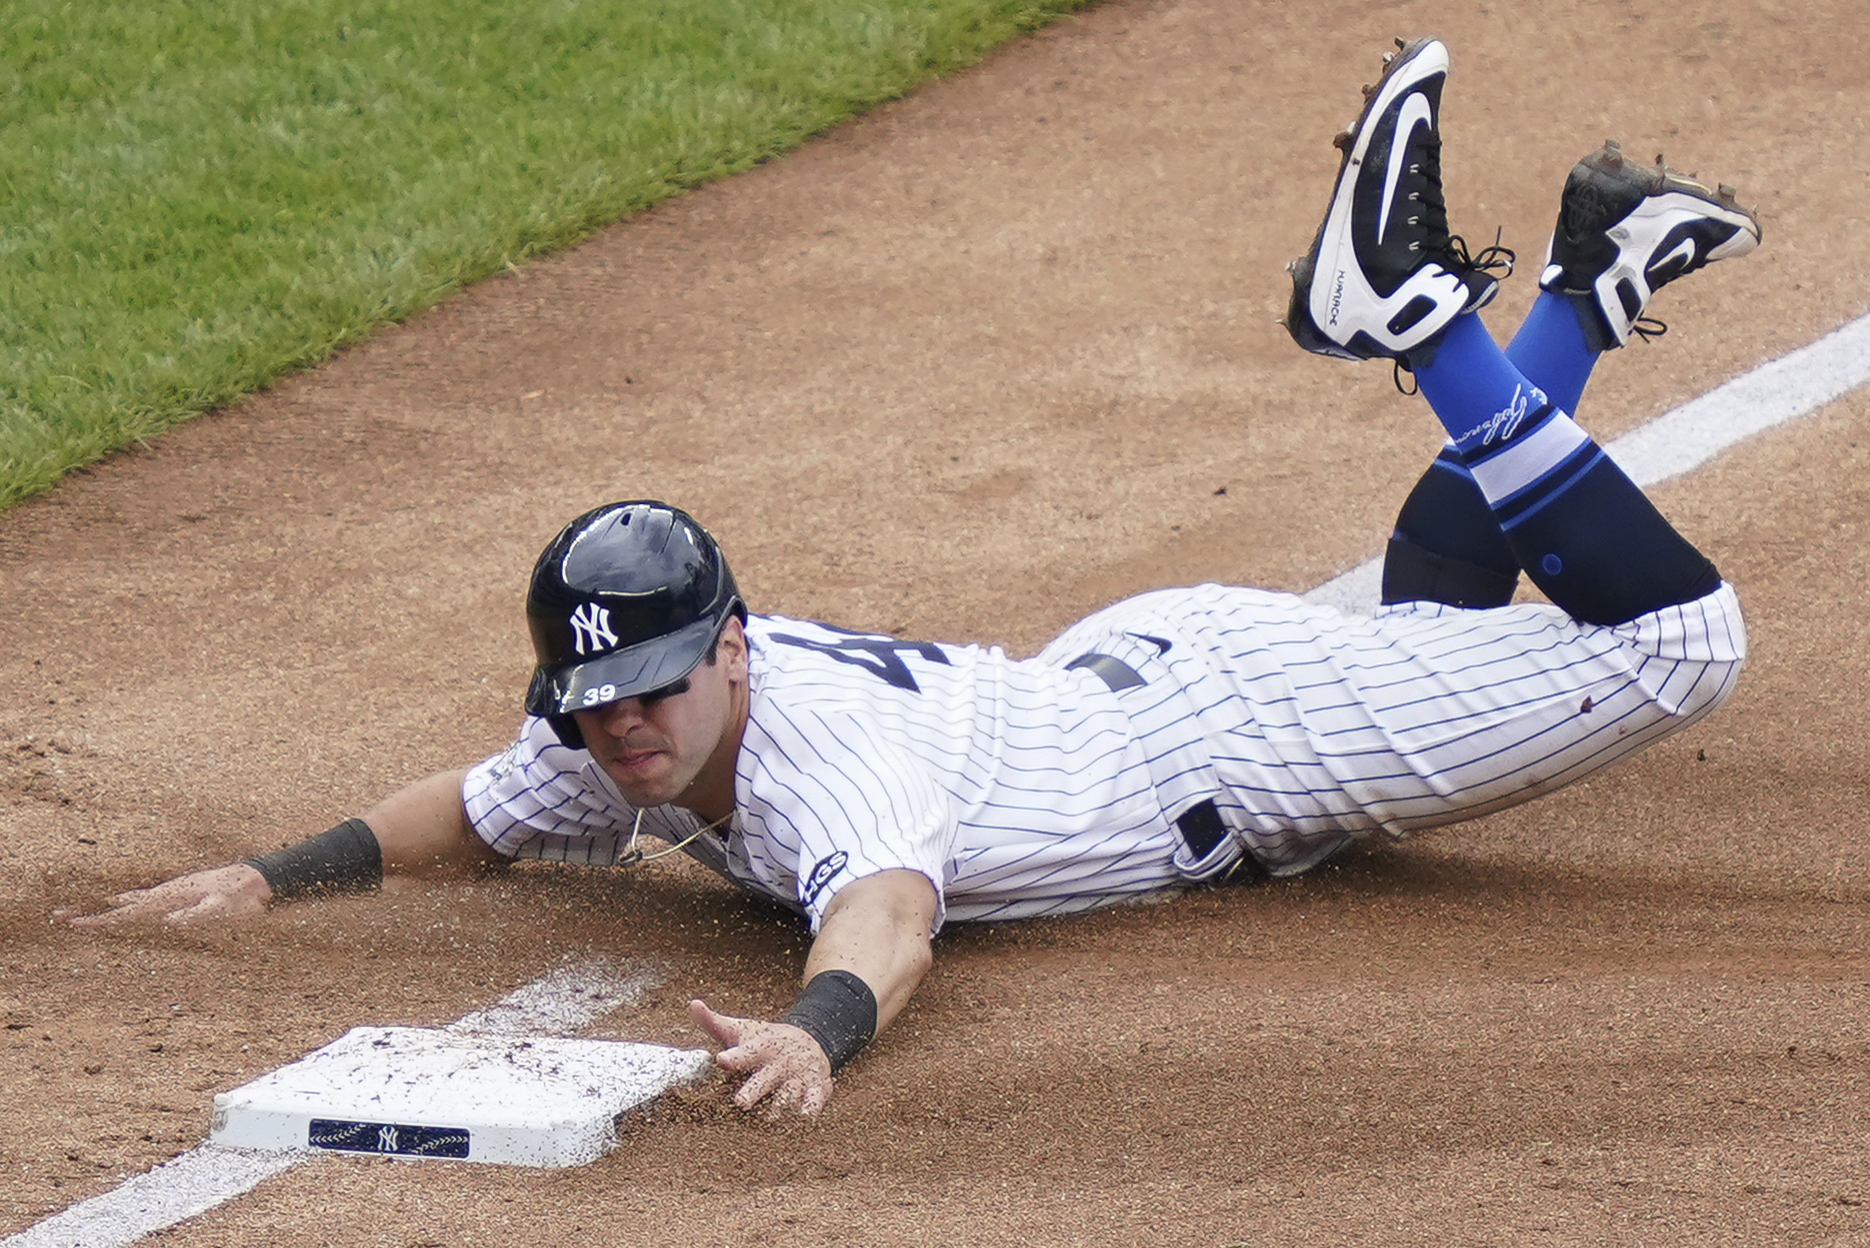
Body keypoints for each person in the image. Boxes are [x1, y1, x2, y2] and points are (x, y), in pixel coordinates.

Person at [70, 38, 1760, 1118]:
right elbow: (475, 803)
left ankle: (1416, 320)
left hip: (1238, 744)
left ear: (727, 646)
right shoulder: (620, 720)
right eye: (596, 704)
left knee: (1681, 641)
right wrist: (272, 879)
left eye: (653, 689)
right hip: (1172, 680)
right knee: (1426, 642)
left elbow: (885, 911)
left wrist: (820, 1032)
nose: (625, 733)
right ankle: (1583, 295)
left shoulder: (813, 760)